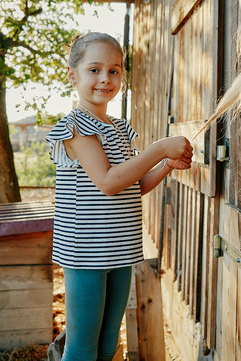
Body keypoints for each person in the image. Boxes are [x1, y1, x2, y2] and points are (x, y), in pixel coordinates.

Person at [46, 32, 193, 361]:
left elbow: (131, 186)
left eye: (114, 71)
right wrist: (158, 149)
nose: (105, 78)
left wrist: (166, 166)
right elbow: (109, 183)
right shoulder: (75, 127)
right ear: (73, 75)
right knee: (83, 348)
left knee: (109, 342)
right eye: (94, 69)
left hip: (120, 249)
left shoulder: (120, 128)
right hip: (85, 252)